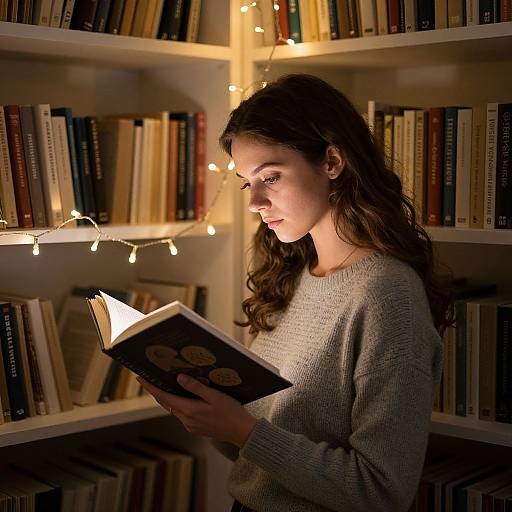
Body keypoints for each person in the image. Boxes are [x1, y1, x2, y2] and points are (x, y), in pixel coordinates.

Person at [137, 74, 453, 512]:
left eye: (271, 176)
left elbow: (381, 491)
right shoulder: (292, 274)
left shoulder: (386, 295)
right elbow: (262, 451)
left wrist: (243, 431)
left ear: (332, 161)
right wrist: (215, 418)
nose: (255, 202)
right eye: (249, 182)